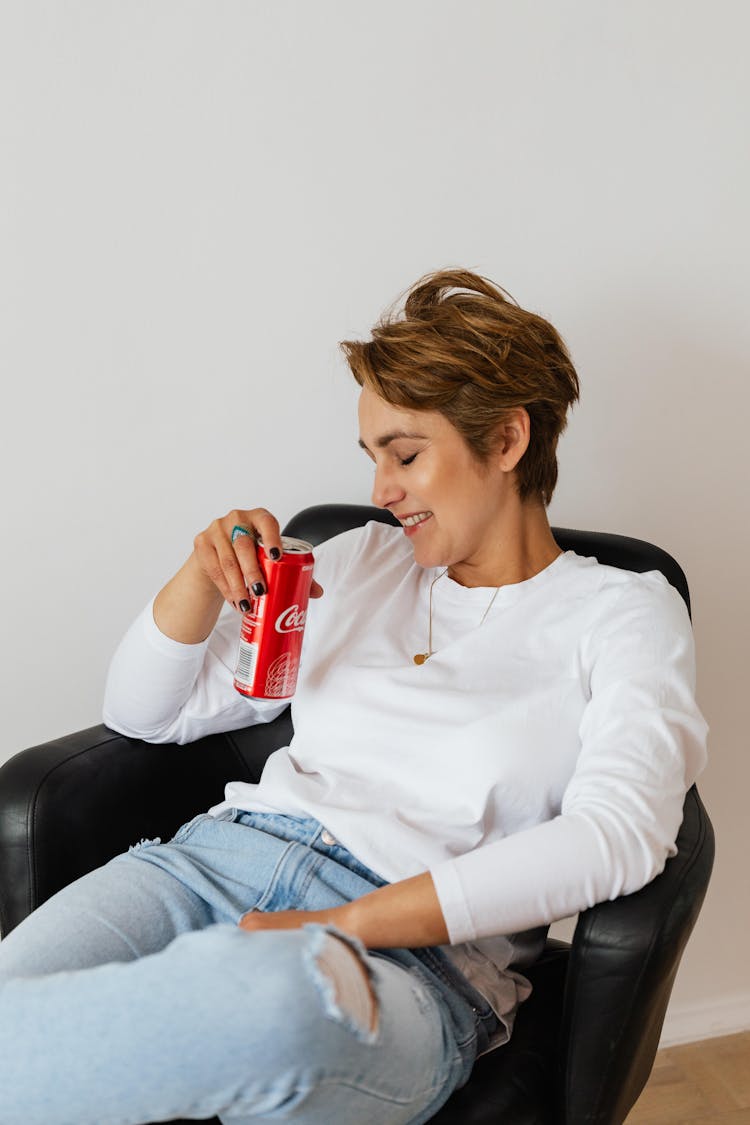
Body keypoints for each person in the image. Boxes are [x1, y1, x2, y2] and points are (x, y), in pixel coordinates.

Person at [0, 269, 708, 1125]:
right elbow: (146, 714)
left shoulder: (622, 611)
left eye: (405, 454)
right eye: (372, 458)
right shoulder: (357, 564)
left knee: (270, 1010)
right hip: (205, 870)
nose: (380, 492)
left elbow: (618, 838)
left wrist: (342, 924)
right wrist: (199, 575)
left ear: (509, 439)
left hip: (416, 961)